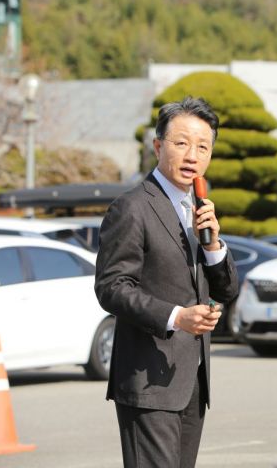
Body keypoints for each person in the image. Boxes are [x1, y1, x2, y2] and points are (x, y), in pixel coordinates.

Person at [95, 96, 239, 468]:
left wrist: (214, 246)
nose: (193, 156)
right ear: (158, 146)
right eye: (182, 143)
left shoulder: (200, 207)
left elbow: (227, 290)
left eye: (203, 147)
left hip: (192, 379)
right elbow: (112, 287)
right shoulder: (132, 207)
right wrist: (177, 316)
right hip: (148, 379)